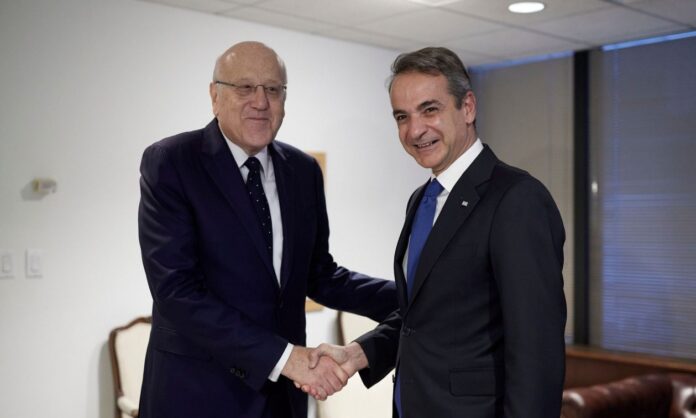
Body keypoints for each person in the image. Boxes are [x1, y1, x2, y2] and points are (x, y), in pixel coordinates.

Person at [137, 41, 397, 418]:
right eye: (245, 87)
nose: (260, 101)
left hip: (281, 400)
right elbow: (176, 292)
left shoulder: (303, 171)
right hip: (197, 395)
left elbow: (319, 275)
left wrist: (412, 295)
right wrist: (284, 357)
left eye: (273, 89)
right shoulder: (172, 162)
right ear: (214, 96)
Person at [308, 47, 567, 418]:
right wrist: (359, 353)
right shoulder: (422, 200)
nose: (414, 130)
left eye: (429, 110)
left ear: (468, 107)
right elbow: (422, 318)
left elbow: (536, 354)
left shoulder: (517, 199)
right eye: (402, 116)